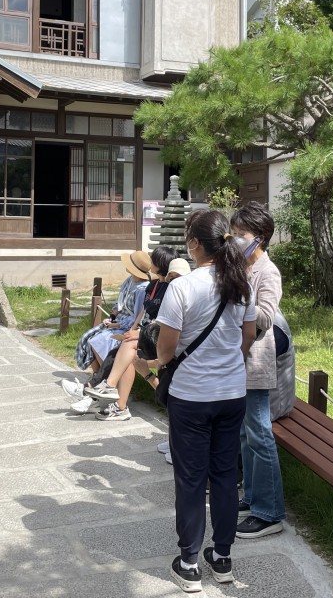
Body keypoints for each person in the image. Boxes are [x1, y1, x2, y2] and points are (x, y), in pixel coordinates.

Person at [143, 209, 256, 592]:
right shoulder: (241, 283)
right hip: (232, 393)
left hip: (191, 396)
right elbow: (247, 338)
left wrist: (158, 362)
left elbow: (168, 346)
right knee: (224, 476)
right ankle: (222, 558)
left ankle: (189, 562)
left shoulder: (183, 287)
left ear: (194, 245)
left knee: (191, 479)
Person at [229, 202, 286, 539]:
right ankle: (252, 497)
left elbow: (265, 316)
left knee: (260, 434)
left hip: (256, 363)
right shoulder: (241, 267)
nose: (235, 240)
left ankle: (270, 512)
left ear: (260, 238)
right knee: (245, 434)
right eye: (233, 234)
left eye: (241, 235)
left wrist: (239, 303)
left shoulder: (268, 271)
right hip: (238, 362)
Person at [87, 256, 191, 423]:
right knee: (119, 346)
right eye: (173, 276)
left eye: (178, 277)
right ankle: (111, 396)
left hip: (172, 347)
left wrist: (149, 370)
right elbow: (148, 315)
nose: (174, 280)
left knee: (126, 348)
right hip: (156, 338)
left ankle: (101, 389)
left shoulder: (177, 292)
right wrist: (135, 330)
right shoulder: (155, 286)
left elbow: (168, 332)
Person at [71, 250, 153, 374]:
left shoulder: (142, 289)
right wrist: (112, 317)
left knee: (98, 340)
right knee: (87, 337)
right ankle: (97, 374)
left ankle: (103, 375)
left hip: (127, 327)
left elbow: (137, 319)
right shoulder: (129, 281)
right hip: (117, 320)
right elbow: (119, 303)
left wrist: (116, 325)